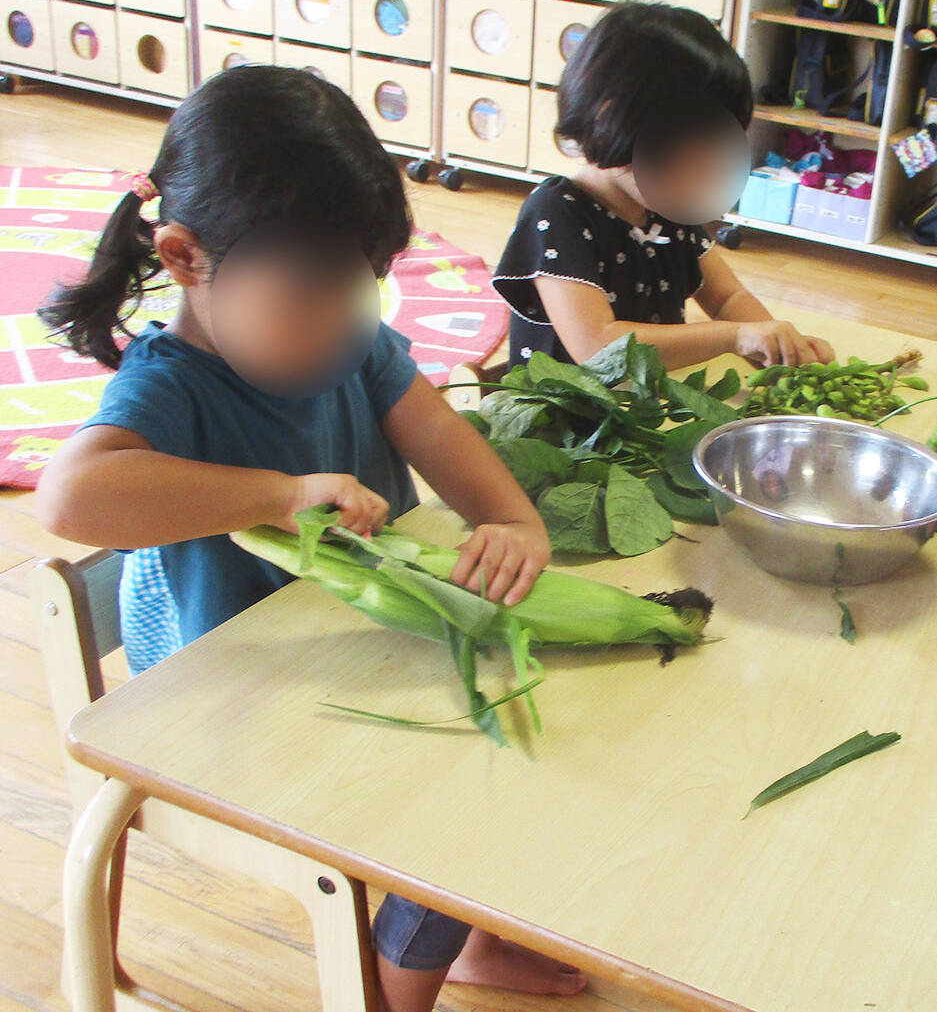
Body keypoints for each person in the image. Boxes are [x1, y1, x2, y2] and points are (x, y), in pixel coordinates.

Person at [34, 67, 584, 1011]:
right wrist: (281, 493)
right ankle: (392, 990)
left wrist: (513, 519)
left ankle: (467, 938)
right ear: (184, 258)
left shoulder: (350, 344)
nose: (344, 318)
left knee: (537, 724)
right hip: (236, 707)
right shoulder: (169, 387)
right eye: (312, 291)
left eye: (360, 289)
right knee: (463, 785)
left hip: (349, 658)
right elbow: (69, 497)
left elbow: (442, 434)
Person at [492, 0, 834, 371]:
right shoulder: (557, 213)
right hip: (565, 421)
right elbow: (596, 345)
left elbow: (728, 297)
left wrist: (776, 345)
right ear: (613, 118)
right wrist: (733, 336)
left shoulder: (668, 209)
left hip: (647, 409)